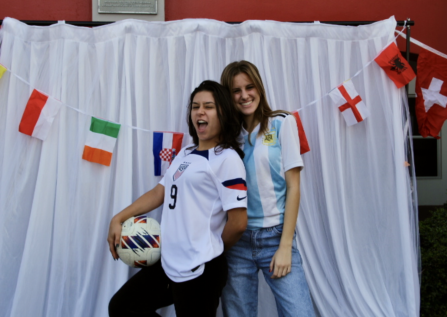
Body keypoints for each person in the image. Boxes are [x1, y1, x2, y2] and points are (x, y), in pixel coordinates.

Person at [107, 80, 248, 317]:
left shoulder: (227, 158)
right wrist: (119, 218)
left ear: (223, 112)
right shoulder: (186, 152)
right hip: (168, 261)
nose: (200, 111)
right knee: (122, 307)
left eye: (209, 106)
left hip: (201, 268)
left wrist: (207, 251)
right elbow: (159, 192)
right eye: (195, 106)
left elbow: (238, 222)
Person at [220, 61, 314, 317]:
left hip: (275, 238)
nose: (244, 95)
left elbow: (294, 186)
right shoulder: (228, 137)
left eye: (249, 87)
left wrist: (285, 245)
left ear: (259, 87)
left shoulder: (282, 123)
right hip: (237, 241)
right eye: (236, 90)